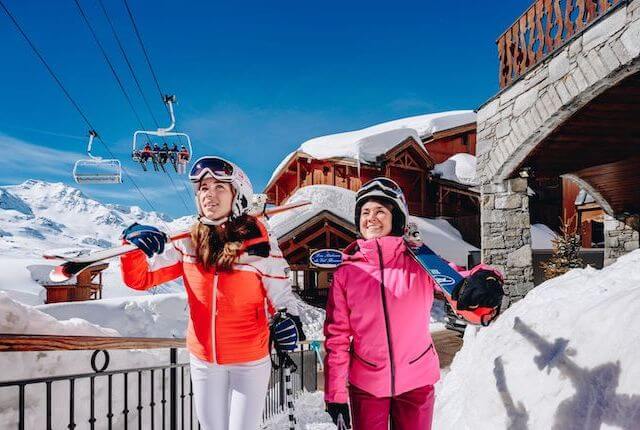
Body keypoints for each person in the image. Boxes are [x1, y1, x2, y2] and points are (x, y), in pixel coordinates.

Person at [119, 156, 306, 430]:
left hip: (249, 360)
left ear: (236, 194)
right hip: (204, 360)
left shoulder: (260, 246)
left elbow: (282, 297)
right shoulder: (187, 245)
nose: (210, 194)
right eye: (204, 188)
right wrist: (133, 248)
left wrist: (289, 321)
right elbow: (141, 279)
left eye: (219, 186)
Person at [323, 177, 504, 430]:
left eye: (380, 211)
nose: (371, 218)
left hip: (416, 383)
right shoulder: (347, 273)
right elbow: (337, 338)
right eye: (365, 212)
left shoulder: (421, 262)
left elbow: (458, 285)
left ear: (396, 217)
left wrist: (486, 280)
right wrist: (335, 395)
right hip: (367, 385)